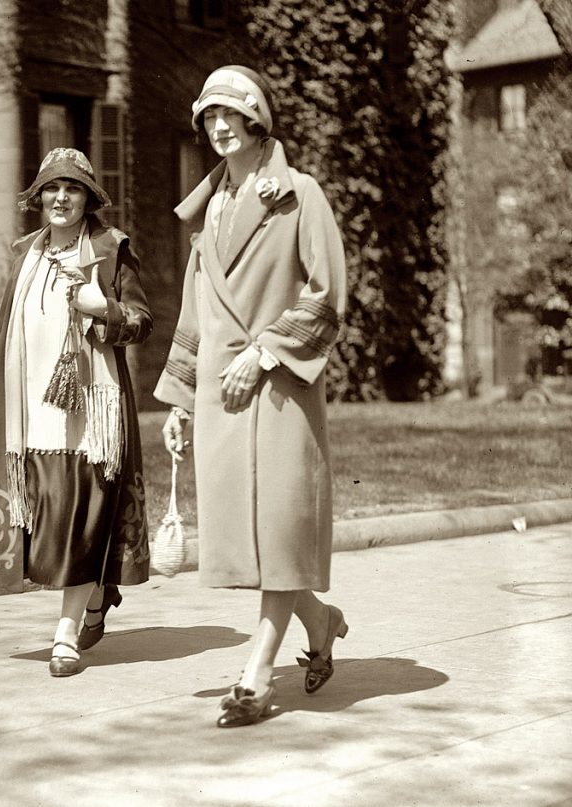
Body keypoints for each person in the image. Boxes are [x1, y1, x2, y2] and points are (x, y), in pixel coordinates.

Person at [154, 66, 349, 726]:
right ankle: (321, 624)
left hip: (281, 392)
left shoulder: (302, 197)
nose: (218, 125)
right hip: (220, 401)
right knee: (260, 539)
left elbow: (326, 298)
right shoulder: (208, 211)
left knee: (282, 529)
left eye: (230, 113)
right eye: (208, 116)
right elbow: (193, 311)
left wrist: (264, 353)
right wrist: (179, 401)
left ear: (258, 119)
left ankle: (256, 677)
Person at [0, 147, 152, 677]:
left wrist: (105, 311)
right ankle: (96, 591)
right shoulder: (25, 253)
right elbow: (4, 331)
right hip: (29, 410)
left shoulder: (110, 249)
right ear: (39, 197)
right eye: (52, 188)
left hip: (92, 414)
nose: (61, 197)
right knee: (45, 516)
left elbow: (142, 321)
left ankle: (66, 633)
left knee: (81, 515)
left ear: (88, 198)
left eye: (72, 189)